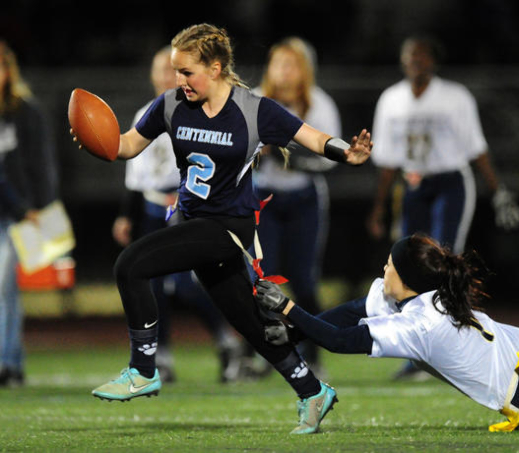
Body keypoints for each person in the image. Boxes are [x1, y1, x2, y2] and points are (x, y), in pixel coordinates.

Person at [76, 24, 371, 434]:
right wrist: (98, 142)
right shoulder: (171, 104)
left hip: (229, 228)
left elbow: (312, 137)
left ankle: (143, 368)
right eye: (176, 72)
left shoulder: (253, 109)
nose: (178, 81)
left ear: (215, 68)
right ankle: (312, 391)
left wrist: (348, 153)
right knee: (251, 324)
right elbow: (126, 145)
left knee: (130, 265)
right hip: (194, 222)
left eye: (186, 72)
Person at [255, 233, 519, 430]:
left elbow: (338, 339)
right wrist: (297, 333)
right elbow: (351, 312)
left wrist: (287, 309)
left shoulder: (417, 325)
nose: (383, 270)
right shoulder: (435, 296)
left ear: (404, 278)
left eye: (388, 265)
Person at [366, 35, 519, 379]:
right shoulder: (391, 99)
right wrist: (379, 207)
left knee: (444, 262)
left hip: (450, 183)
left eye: (421, 55)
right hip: (413, 187)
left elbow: (476, 148)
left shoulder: (454, 97)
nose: (415, 62)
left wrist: (497, 191)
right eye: (410, 56)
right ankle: (419, 353)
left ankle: (457, 344)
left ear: (434, 61)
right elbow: (388, 162)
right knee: (408, 268)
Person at [112, 46, 246, 384]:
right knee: (153, 286)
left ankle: (226, 339)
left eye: (170, 70)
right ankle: (162, 356)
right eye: (158, 70)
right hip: (154, 206)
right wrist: (126, 215)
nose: (164, 77)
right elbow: (135, 172)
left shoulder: (198, 112)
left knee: (188, 285)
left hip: (188, 208)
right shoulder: (148, 113)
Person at [250, 37, 341, 373]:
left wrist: (287, 152)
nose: (285, 71)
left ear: (305, 70)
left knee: (304, 280)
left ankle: (313, 354)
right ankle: (267, 354)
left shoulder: (320, 104)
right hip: (265, 199)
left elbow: (330, 159)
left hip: (305, 197)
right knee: (262, 279)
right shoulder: (257, 99)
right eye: (279, 63)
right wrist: (259, 153)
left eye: (292, 64)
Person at [0, 40, 58, 386]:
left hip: (19, 215)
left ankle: (7, 362)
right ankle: (13, 363)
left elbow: (43, 163)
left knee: (5, 289)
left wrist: (43, 207)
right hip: (15, 209)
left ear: (9, 71)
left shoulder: (26, 110)